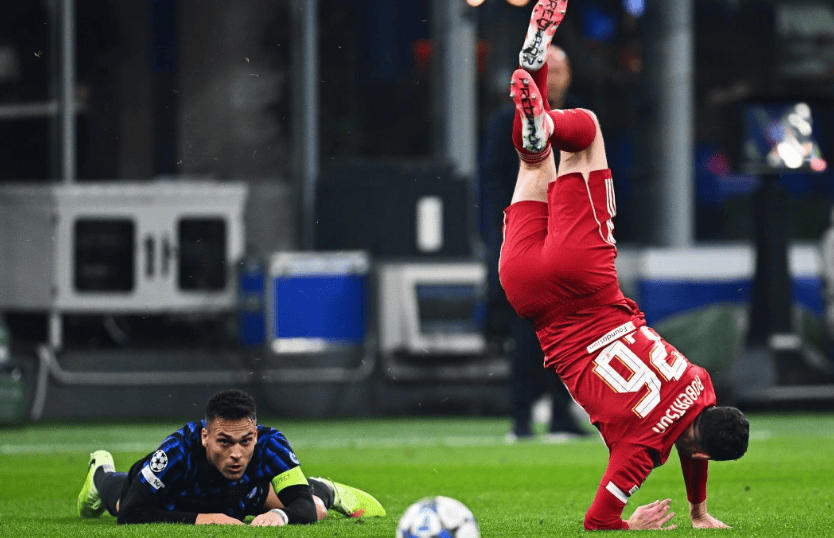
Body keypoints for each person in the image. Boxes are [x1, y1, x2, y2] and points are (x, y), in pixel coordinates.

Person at [499, 0, 749, 530]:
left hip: (587, 279)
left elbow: (695, 432)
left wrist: (701, 506)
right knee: (534, 163)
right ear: (703, 451)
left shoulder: (701, 383)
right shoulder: (642, 451)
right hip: (530, 295)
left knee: (585, 133)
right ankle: (539, 121)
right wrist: (637, 523)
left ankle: (546, 117)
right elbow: (598, 521)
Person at [480, 44, 589, 442]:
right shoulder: (507, 121)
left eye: (558, 72)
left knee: (570, 333)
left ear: (569, 76)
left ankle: (562, 415)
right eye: (548, 72)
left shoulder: (579, 119)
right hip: (524, 238)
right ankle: (521, 418)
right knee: (525, 335)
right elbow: (492, 182)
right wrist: (499, 235)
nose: (554, 80)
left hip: (567, 241)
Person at [76, 389, 386, 526]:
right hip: (178, 498)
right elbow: (132, 513)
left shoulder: (270, 443)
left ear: (254, 434)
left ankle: (327, 490)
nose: (236, 454)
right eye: (224, 442)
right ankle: (101, 471)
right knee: (120, 504)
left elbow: (301, 506)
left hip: (240, 494)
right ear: (205, 436)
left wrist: (281, 517)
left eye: (245, 441)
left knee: (315, 509)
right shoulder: (176, 451)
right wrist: (203, 519)